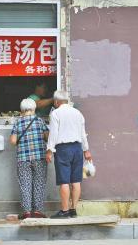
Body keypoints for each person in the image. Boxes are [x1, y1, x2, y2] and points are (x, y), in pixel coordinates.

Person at [46, 90, 92, 219]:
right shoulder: (78, 113)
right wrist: (86, 150)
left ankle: (64, 211)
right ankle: (73, 210)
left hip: (63, 149)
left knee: (64, 181)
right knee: (76, 180)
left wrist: (49, 150)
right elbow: (83, 134)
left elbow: (53, 134)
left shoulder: (55, 113)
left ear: (56, 101)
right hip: (77, 148)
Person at [10, 98, 49, 219]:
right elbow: (47, 137)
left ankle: (27, 211)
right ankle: (37, 211)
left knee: (25, 184)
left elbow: (13, 141)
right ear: (34, 108)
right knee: (39, 183)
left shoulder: (17, 122)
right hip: (39, 157)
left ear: (22, 109)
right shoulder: (40, 121)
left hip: (23, 158)